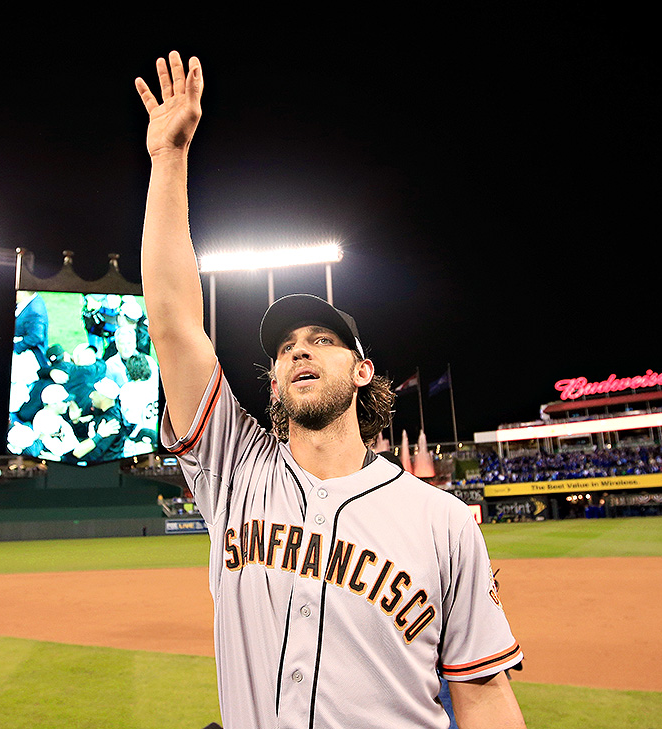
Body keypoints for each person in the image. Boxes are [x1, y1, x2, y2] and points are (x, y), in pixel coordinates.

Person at [135, 51, 525, 729]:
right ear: (277, 381)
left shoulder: (443, 524)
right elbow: (174, 325)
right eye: (285, 348)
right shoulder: (236, 467)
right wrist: (169, 159)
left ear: (362, 370)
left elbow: (484, 695)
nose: (298, 351)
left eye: (319, 339)